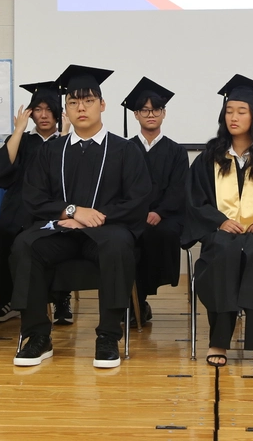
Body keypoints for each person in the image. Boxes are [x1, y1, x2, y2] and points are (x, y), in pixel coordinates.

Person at [11, 65, 152, 368]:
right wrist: (72, 212)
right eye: (73, 103)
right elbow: (33, 197)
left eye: (88, 101)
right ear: (66, 110)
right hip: (61, 229)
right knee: (25, 244)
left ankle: (109, 335)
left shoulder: (125, 150)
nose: (81, 108)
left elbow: (138, 200)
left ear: (102, 105)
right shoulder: (51, 151)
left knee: (117, 244)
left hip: (106, 231)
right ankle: (37, 335)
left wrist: (94, 217)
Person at [184, 75, 253, 367]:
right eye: (229, 110)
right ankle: (218, 341)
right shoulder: (210, 156)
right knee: (225, 252)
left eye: (241, 111)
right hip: (222, 234)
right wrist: (219, 221)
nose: (233, 117)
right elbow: (195, 201)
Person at [0, 81, 65, 324]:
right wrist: (18, 131)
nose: (43, 115)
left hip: (55, 207)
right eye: (38, 109)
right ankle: (7, 298)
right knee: (0, 232)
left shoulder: (66, 141)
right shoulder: (22, 140)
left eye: (49, 109)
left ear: (59, 113)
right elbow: (2, 172)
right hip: (19, 206)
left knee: (59, 237)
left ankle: (61, 298)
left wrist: (67, 135)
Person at [122, 77, 190, 321]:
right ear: (136, 115)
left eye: (156, 110)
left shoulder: (176, 151)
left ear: (164, 113)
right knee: (125, 238)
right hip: (132, 216)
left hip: (166, 216)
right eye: (144, 110)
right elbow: (120, 188)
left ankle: (138, 299)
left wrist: (159, 212)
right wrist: (138, 213)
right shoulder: (125, 149)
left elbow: (178, 188)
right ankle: (132, 301)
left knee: (158, 234)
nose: (151, 114)